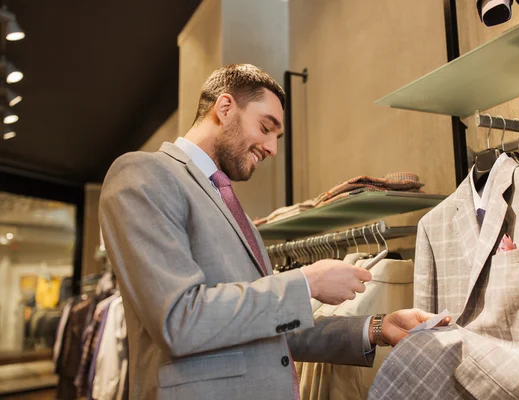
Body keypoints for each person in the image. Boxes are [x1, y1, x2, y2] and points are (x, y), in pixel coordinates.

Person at [99, 64, 450, 399]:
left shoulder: (233, 211)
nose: (272, 148)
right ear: (224, 107)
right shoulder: (142, 175)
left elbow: (272, 324)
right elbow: (179, 318)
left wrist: (377, 327)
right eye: (266, 128)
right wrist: (306, 283)